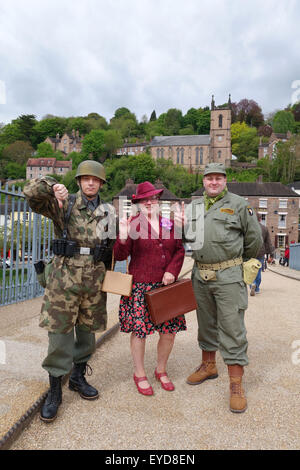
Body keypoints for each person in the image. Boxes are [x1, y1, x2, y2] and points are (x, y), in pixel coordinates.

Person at [23, 160, 115, 422]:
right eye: (86, 178)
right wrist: (53, 186)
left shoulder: (108, 211)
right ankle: (55, 390)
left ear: (101, 184)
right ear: (79, 181)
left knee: (87, 332)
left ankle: (77, 377)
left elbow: (111, 247)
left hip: (94, 279)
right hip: (64, 277)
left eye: (95, 180)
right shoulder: (65, 204)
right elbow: (31, 193)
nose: (90, 183)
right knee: (60, 333)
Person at [183, 163, 262, 413]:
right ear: (203, 181)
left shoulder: (239, 204)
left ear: (225, 180)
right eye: (209, 178)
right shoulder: (193, 206)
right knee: (206, 323)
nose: (214, 182)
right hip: (200, 273)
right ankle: (209, 366)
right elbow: (187, 236)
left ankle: (236, 385)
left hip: (228, 275)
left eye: (218, 178)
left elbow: (254, 240)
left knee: (232, 327)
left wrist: (234, 262)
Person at [113, 181, 186, 396]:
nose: (150, 202)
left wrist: (172, 270)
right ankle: (139, 373)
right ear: (138, 203)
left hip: (166, 286)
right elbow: (119, 255)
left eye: (153, 198)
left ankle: (161, 370)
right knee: (140, 332)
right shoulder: (132, 224)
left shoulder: (169, 223)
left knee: (169, 332)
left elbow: (179, 251)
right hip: (140, 286)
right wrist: (124, 235)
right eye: (145, 199)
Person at [250, 214, 274, 296]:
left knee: (250, 270)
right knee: (258, 271)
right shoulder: (264, 228)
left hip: (250, 252)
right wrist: (271, 254)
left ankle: (252, 283)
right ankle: (256, 288)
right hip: (260, 252)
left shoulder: (249, 227)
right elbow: (268, 243)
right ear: (260, 219)